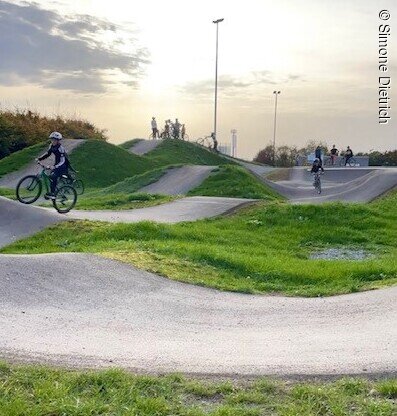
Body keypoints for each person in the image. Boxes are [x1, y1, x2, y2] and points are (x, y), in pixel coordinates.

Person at [36, 132, 68, 199]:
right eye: (52, 139)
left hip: (62, 165)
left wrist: (55, 166)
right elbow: (47, 154)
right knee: (51, 176)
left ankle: (53, 193)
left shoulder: (61, 148)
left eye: (54, 140)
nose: (53, 141)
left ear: (58, 140)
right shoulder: (51, 145)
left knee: (53, 176)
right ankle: (54, 191)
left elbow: (63, 160)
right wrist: (39, 158)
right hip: (57, 164)